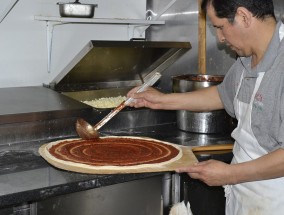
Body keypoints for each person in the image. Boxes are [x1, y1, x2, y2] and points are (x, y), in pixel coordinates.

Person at [126, 0, 284, 214]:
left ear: (244, 17)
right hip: (245, 196)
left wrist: (231, 174)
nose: (220, 38)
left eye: (219, 27)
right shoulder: (247, 59)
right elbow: (222, 94)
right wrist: (161, 100)